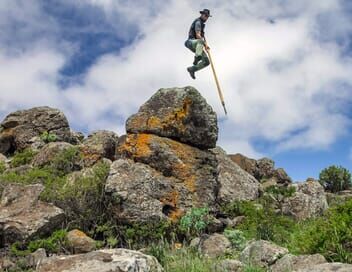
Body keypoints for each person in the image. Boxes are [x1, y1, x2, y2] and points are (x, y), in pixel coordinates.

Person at [184, 9, 211, 79]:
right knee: (200, 40)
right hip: (190, 42)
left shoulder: (202, 25)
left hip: (198, 46)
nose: (206, 18)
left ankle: (192, 69)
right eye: (205, 16)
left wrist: (205, 45)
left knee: (206, 62)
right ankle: (197, 57)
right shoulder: (198, 22)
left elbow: (201, 36)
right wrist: (205, 45)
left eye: (207, 16)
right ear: (202, 15)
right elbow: (198, 35)